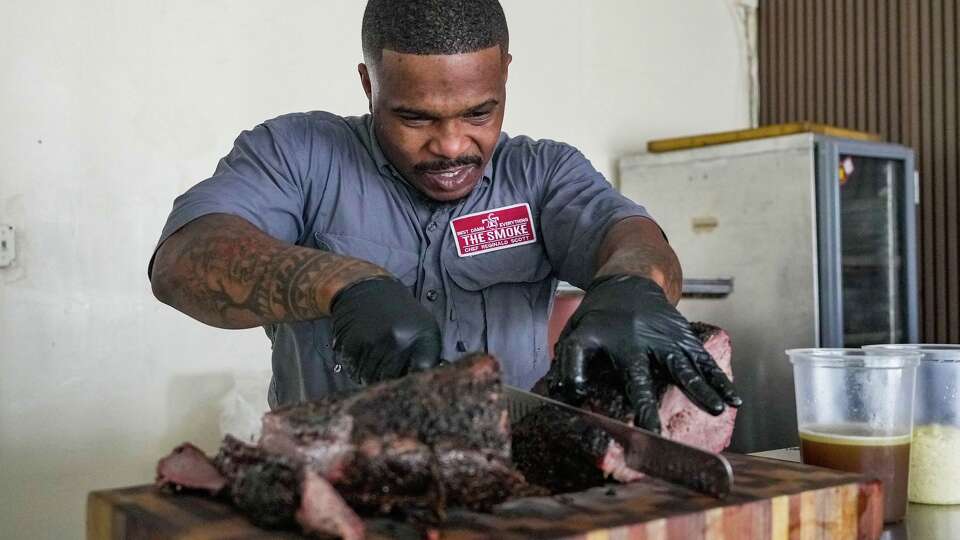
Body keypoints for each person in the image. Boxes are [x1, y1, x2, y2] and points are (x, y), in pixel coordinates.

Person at [149, 0, 741, 432]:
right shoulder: (297, 155)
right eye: (416, 118)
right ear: (368, 84)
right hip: (333, 493)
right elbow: (182, 260)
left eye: (479, 113)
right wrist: (343, 286)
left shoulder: (545, 174)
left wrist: (635, 282)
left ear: (505, 73)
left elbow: (631, 238)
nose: (452, 146)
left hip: (512, 496)